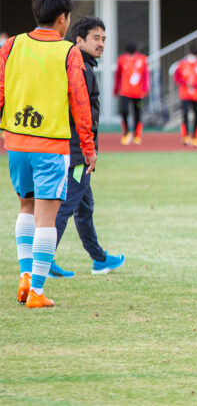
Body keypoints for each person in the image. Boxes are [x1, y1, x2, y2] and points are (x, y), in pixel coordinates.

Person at [1, 0, 97, 308]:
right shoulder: (68, 52)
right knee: (46, 218)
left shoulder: (11, 46)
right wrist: (89, 147)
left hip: (15, 142)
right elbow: (80, 104)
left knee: (25, 208)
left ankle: (25, 274)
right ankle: (37, 291)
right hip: (51, 146)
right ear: (62, 18)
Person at [50, 17, 125, 278]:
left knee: (84, 206)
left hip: (77, 149)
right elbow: (81, 114)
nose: (101, 43)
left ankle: (99, 259)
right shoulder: (81, 68)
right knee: (66, 205)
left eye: (104, 39)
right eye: (96, 38)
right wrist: (88, 149)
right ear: (78, 40)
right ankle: (45, 259)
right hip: (77, 151)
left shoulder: (82, 66)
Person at [173, 47, 197, 147]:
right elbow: (176, 77)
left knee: (196, 115)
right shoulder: (182, 64)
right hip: (185, 94)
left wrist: (195, 85)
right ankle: (185, 136)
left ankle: (195, 137)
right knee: (184, 114)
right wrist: (185, 83)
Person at [114, 43, 149, 146]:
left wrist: (145, 88)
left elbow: (145, 74)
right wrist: (116, 89)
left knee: (137, 113)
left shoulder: (142, 59)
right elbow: (118, 75)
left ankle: (137, 135)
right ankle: (126, 133)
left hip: (137, 93)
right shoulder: (121, 59)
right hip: (124, 91)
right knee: (124, 111)